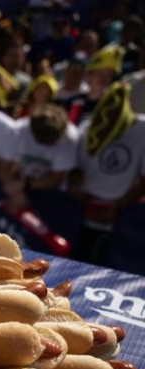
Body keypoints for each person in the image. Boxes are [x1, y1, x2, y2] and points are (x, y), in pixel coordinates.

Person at [71, 82, 145, 264]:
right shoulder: (88, 127)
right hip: (83, 208)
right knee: (78, 259)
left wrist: (119, 207)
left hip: (120, 212)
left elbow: (143, 179)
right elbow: (75, 169)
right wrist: (76, 190)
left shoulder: (142, 129)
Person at [65, 46, 124, 125]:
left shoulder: (113, 105)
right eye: (100, 74)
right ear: (89, 75)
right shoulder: (74, 103)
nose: (104, 78)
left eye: (109, 75)